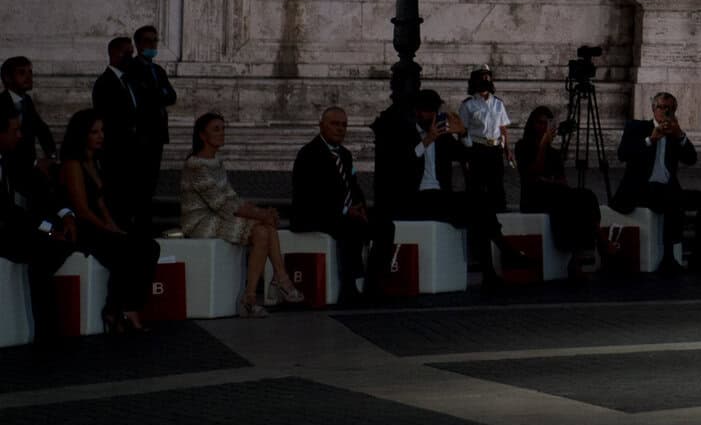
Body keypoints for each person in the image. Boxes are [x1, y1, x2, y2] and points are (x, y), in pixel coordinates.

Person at [372, 88, 527, 282]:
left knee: (479, 203)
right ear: (417, 112)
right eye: (426, 111)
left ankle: (493, 268)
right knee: (475, 207)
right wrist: (427, 140)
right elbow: (399, 166)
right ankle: (502, 256)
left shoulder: (442, 137)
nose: (430, 115)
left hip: (438, 196)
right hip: (413, 198)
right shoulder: (404, 134)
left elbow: (468, 155)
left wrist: (463, 134)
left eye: (433, 111)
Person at [181, 112, 303, 317]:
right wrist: (259, 214)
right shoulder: (195, 164)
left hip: (219, 216)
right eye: (216, 129)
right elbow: (221, 204)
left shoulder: (217, 162)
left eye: (223, 128)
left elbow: (232, 197)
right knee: (261, 228)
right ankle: (280, 280)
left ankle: (253, 295)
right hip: (200, 221)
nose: (222, 133)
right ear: (202, 135)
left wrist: (263, 213)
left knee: (266, 227)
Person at [56, 109, 157, 333]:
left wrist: (112, 225)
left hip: (98, 223)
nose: (101, 136)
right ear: (82, 134)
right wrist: (107, 230)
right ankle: (116, 309)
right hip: (82, 227)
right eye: (94, 132)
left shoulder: (96, 162)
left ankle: (128, 306)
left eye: (102, 131)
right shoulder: (73, 164)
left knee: (149, 246)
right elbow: (82, 209)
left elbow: (100, 203)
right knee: (125, 250)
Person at [291, 106, 395, 303]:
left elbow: (353, 187)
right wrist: (346, 210)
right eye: (335, 124)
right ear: (321, 126)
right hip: (314, 214)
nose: (340, 129)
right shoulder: (309, 154)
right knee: (350, 226)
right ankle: (349, 287)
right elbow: (310, 196)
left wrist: (360, 207)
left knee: (385, 226)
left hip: (343, 213)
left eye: (344, 125)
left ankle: (374, 285)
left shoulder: (345, 155)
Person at [613, 92, 701, 274]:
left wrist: (680, 135)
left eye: (670, 109)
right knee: (669, 197)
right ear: (654, 109)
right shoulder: (637, 127)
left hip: (667, 189)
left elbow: (691, 159)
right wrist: (650, 140)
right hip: (639, 190)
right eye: (662, 107)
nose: (665, 112)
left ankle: (699, 256)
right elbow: (623, 154)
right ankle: (668, 257)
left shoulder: (674, 134)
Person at [0, 97, 77, 344]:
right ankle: (47, 333)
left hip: (15, 227)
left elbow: (42, 188)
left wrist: (65, 216)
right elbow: (6, 211)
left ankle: (48, 331)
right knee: (43, 251)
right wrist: (46, 231)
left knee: (55, 245)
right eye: (15, 131)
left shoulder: (12, 158)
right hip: (6, 230)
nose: (21, 136)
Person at [517, 106, 601, 274]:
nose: (543, 128)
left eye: (547, 124)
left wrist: (548, 180)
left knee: (586, 195)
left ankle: (588, 248)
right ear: (532, 125)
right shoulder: (523, 146)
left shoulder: (554, 154)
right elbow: (533, 173)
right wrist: (542, 146)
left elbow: (562, 181)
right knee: (563, 199)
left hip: (554, 192)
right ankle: (592, 248)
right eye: (540, 123)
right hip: (533, 196)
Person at [125, 24, 178, 235]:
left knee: (151, 182)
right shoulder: (133, 69)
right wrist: (157, 93)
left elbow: (170, 96)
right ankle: (139, 226)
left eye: (155, 41)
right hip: (141, 134)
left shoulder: (157, 70)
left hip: (157, 134)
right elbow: (146, 96)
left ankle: (145, 224)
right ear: (138, 44)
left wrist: (156, 93)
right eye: (148, 41)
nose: (152, 45)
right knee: (140, 184)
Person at [90, 35, 146, 232]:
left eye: (132, 53)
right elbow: (108, 118)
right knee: (116, 194)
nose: (131, 57)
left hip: (131, 149)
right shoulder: (105, 83)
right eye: (127, 53)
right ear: (114, 54)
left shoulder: (129, 81)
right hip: (115, 151)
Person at [458, 67, 511, 213]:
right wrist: (466, 156)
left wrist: (508, 151)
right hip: (477, 149)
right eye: (482, 78)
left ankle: (499, 214)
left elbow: (503, 128)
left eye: (487, 78)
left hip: (495, 149)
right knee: (476, 185)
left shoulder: (498, 103)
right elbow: (462, 130)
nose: (485, 81)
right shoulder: (468, 105)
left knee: (497, 184)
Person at [2, 56, 56, 189]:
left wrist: (51, 156)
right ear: (8, 78)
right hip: (10, 172)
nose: (28, 77)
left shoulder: (27, 101)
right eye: (22, 73)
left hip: (29, 169)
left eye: (30, 72)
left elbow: (42, 129)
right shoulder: (1, 104)